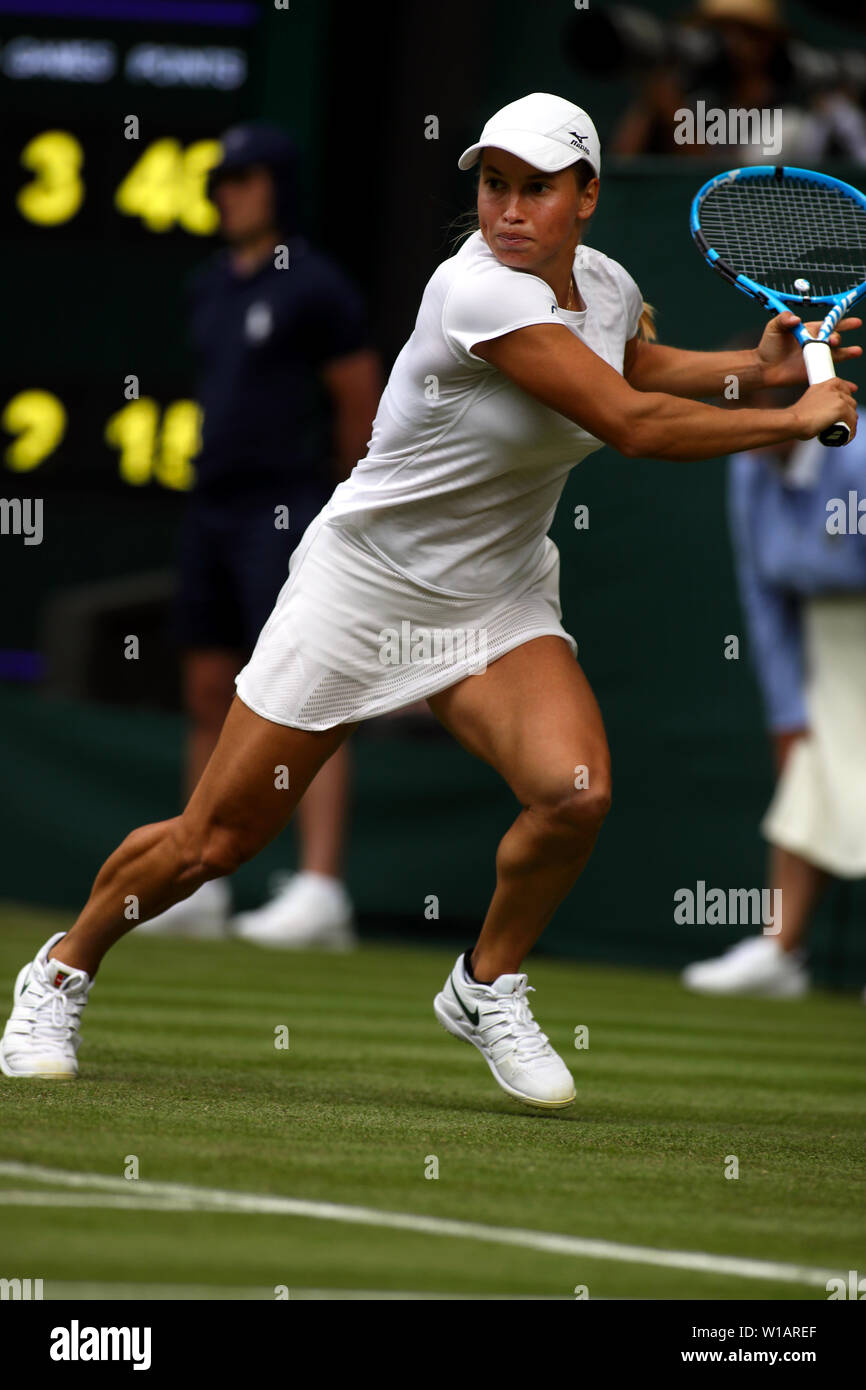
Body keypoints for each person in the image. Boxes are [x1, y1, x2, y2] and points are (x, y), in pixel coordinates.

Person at [0, 93, 858, 1109]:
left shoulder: (605, 287)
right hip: (362, 590)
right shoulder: (475, 294)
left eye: (534, 187)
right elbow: (627, 421)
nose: (507, 207)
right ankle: (60, 969)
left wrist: (746, 373)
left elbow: (630, 361)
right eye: (493, 184)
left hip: (494, 600)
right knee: (213, 843)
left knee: (572, 791)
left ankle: (485, 982)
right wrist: (790, 417)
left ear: (585, 197)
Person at [140, 122, 382, 949]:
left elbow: (359, 395)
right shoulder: (206, 288)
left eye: (241, 180)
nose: (226, 194)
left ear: (276, 187)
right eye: (219, 182)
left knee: (306, 692)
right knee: (208, 689)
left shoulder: (316, 286)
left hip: (290, 508)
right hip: (212, 508)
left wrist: (344, 504)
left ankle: (321, 889)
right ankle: (198, 877)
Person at [683, 393, 866, 997]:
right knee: (807, 772)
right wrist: (788, 714)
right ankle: (781, 952)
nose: (747, 425)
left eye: (760, 409)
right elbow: (761, 597)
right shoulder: (749, 466)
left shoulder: (859, 460)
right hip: (823, 636)